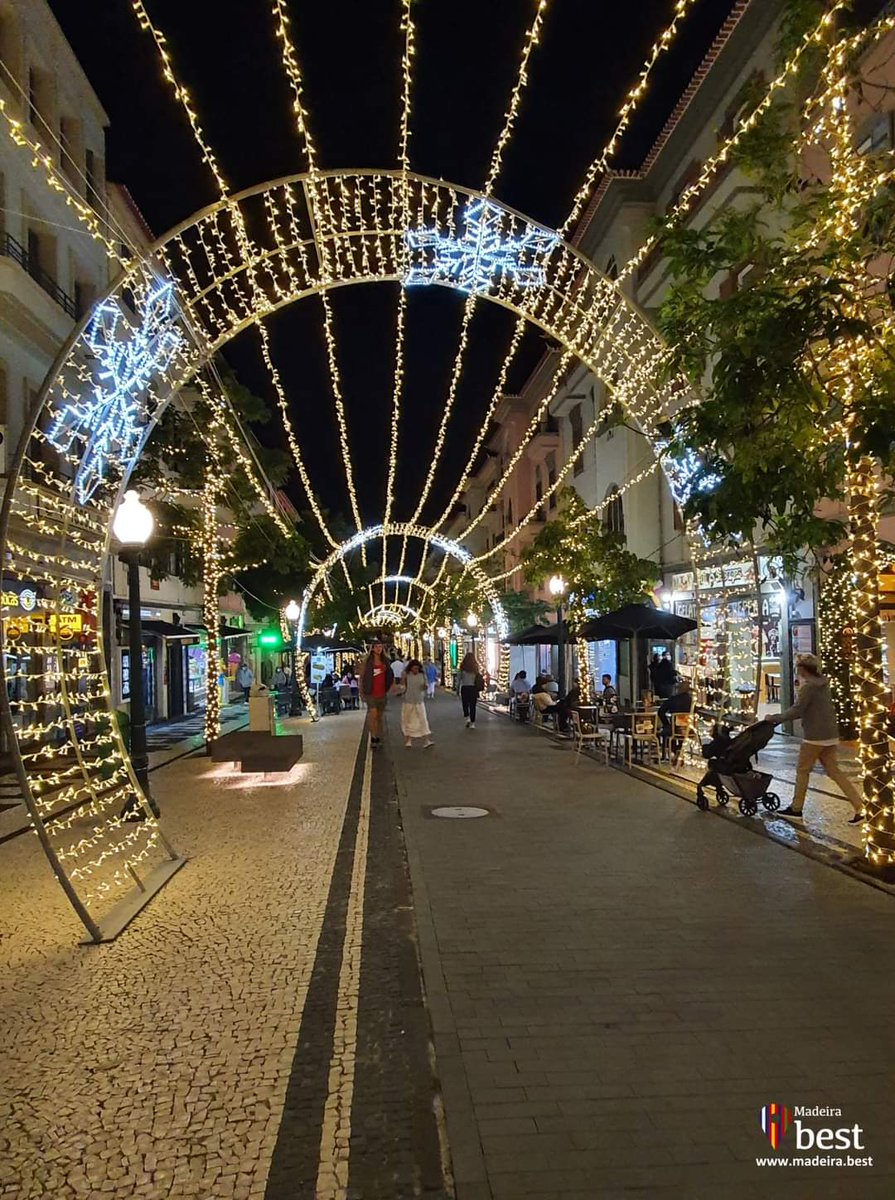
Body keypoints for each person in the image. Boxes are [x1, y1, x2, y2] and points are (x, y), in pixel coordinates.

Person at [763, 652, 863, 823]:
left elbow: (798, 710)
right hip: (830, 734)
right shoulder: (824, 683)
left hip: (814, 737)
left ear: (802, 669)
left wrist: (774, 718)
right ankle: (860, 807)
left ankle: (796, 809)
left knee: (802, 771)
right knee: (835, 771)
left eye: (797, 667)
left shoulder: (809, 687)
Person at [358, 640, 394, 749]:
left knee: (379, 716)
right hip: (371, 692)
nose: (379, 648)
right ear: (372, 648)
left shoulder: (385, 661)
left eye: (381, 646)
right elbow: (362, 677)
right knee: (373, 715)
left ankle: (379, 736)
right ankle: (373, 737)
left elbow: (389, 674)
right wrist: (361, 692)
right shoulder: (367, 662)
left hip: (382, 692)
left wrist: (392, 686)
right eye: (377, 646)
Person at [399, 659, 434, 749]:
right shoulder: (406, 675)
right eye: (414, 669)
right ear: (410, 668)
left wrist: (425, 687)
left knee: (422, 720)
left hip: (419, 700)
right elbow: (402, 686)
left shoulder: (422, 675)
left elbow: (425, 685)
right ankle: (408, 740)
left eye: (417, 669)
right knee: (408, 720)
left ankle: (426, 740)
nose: (416, 670)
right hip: (408, 700)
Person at [657, 678, 693, 756]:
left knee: (665, 732)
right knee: (676, 731)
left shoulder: (673, 699)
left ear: (678, 689)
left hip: (675, 728)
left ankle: (669, 752)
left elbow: (661, 711)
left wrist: (666, 724)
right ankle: (679, 749)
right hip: (689, 729)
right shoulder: (692, 701)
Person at [458, 652, 484, 728]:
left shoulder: (462, 667)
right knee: (473, 706)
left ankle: (468, 718)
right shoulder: (475, 667)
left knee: (465, 705)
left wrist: (457, 690)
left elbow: (459, 680)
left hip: (465, 688)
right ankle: (473, 723)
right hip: (473, 689)